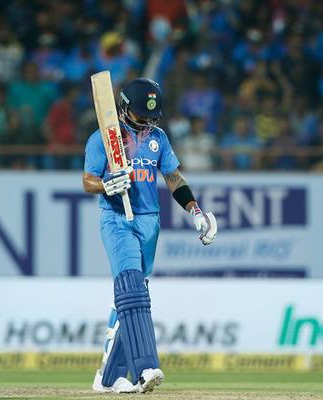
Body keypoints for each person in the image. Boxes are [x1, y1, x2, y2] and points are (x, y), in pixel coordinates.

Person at [82, 78, 217, 393]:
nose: (147, 122)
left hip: (148, 221)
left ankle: (108, 376)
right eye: (141, 115)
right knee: (131, 288)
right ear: (124, 108)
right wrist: (107, 185)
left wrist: (195, 210)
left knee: (133, 294)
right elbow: (88, 180)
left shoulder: (158, 138)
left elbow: (173, 177)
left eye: (152, 117)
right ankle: (141, 368)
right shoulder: (104, 137)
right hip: (117, 218)